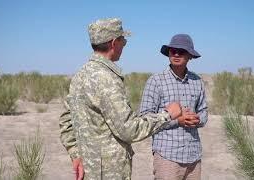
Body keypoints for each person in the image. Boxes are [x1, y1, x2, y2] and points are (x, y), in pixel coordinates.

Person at [59, 18, 185, 180]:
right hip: (110, 172)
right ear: (113, 43)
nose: (124, 45)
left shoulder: (80, 74)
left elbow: (66, 121)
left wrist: (75, 154)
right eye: (123, 41)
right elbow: (128, 129)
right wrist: (167, 115)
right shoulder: (107, 79)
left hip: (89, 170)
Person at [139, 34, 208, 180]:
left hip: (193, 156)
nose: (176, 54)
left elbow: (204, 111)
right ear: (168, 53)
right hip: (167, 157)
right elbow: (144, 118)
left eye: (181, 51)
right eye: (173, 50)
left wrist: (196, 119)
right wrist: (178, 120)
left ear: (190, 56)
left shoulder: (197, 81)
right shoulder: (155, 81)